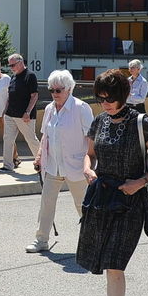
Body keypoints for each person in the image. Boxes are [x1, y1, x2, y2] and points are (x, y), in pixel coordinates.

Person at [77, 69, 148, 296]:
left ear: (123, 96)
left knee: (115, 264)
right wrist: (87, 167)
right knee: (107, 263)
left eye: (109, 98)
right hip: (102, 198)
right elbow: (89, 153)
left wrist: (139, 183)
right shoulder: (99, 121)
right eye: (100, 97)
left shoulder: (143, 124)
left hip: (131, 202)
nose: (104, 103)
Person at [26, 69, 92, 253]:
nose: (55, 93)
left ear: (69, 89)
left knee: (83, 206)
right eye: (52, 90)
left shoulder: (81, 108)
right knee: (46, 203)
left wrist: (90, 165)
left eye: (59, 90)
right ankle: (41, 240)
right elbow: (45, 137)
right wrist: (39, 157)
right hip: (53, 166)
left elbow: (91, 138)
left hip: (76, 166)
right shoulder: (49, 109)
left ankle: (92, 241)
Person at [1, 53, 40, 171]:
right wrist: (5, 110)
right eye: (10, 65)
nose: (11, 67)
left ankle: (44, 163)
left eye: (13, 65)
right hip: (10, 114)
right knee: (7, 139)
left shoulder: (30, 75)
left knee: (31, 139)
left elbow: (34, 96)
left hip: (24, 116)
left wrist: (28, 112)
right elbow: (10, 95)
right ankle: (7, 166)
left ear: (21, 62)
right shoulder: (13, 77)